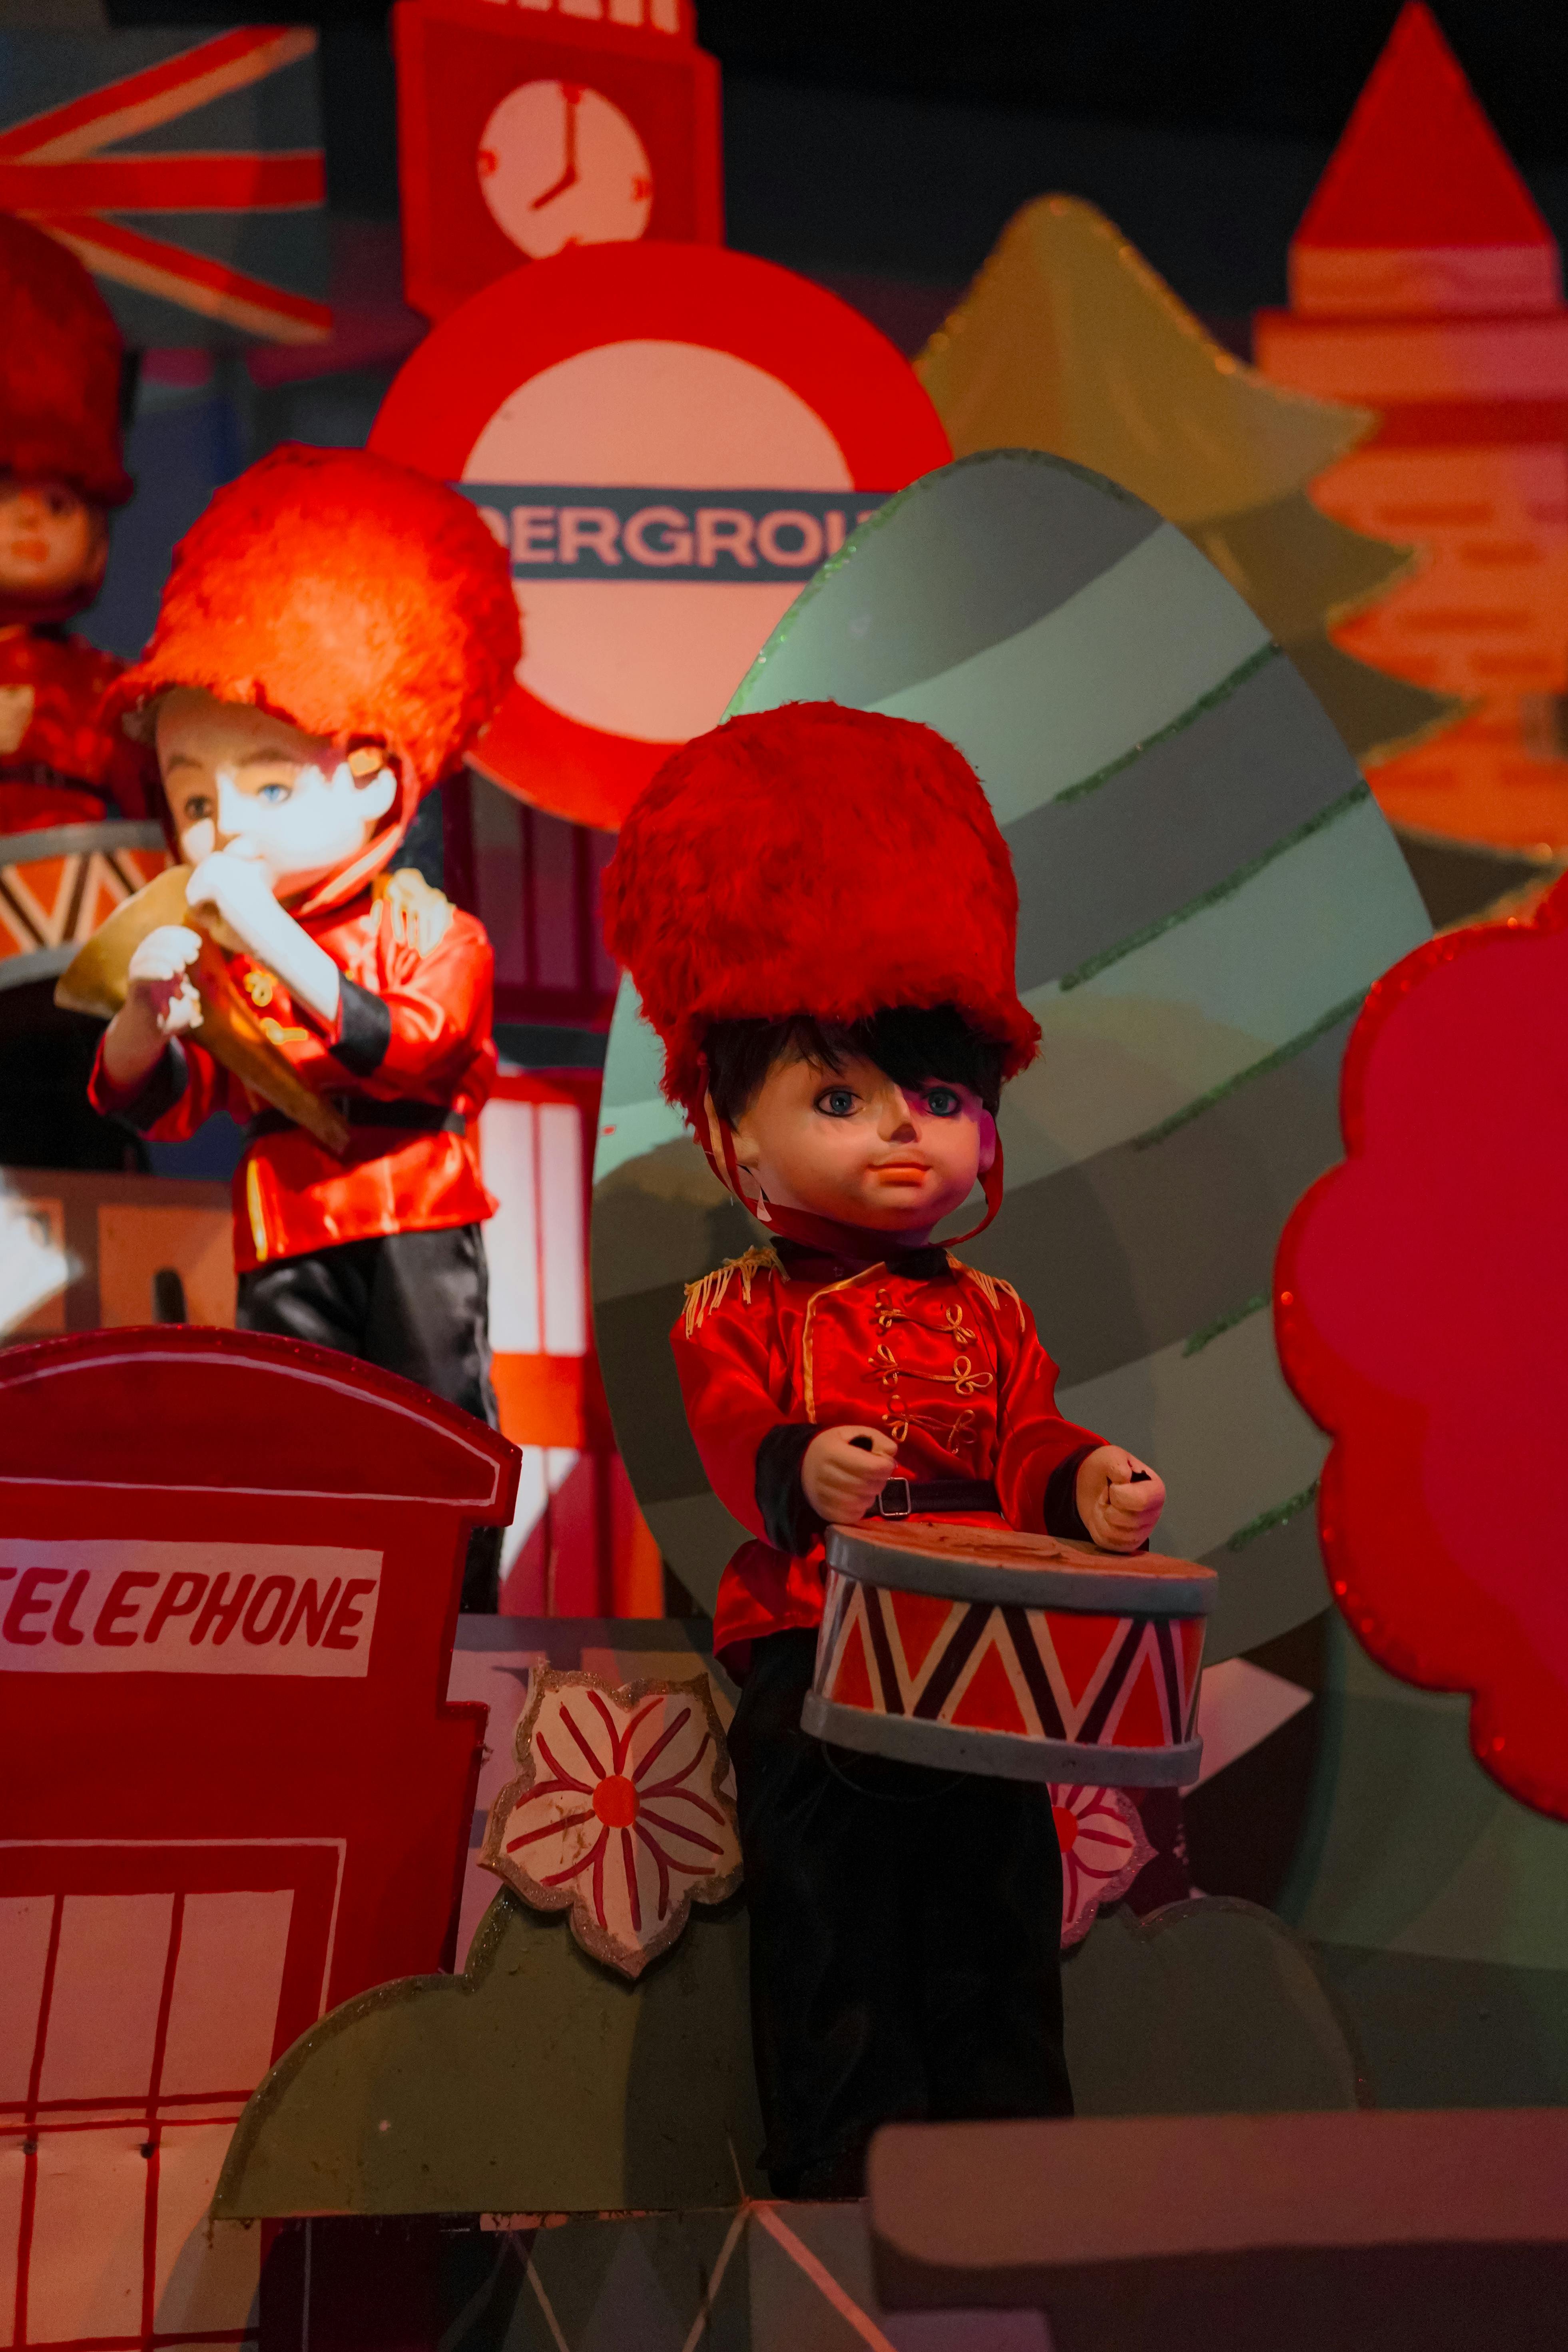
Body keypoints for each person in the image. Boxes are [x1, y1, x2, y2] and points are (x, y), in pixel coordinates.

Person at [603, 701, 1167, 2197]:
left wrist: (1085, 1481)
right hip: (824, 1648)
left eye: (937, 1099)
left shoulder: (993, 1308)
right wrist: (801, 1470)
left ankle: (1009, 2161)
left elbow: (1026, 1429)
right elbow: (732, 1429)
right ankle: (846, 2164)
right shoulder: (732, 1303)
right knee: (831, 1900)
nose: (899, 1136)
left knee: (994, 1894)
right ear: (731, 1134)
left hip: (980, 1661)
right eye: (838, 1099)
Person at [90, 445, 521, 1603]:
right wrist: (145, 1007)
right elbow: (162, 1102)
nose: (222, 824)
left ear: (378, 780)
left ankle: (457, 1633)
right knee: (293, 1453)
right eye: (193, 797)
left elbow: (412, 1049)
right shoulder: (222, 945)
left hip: (410, 1223)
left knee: (435, 1438)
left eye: (267, 787)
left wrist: (266, 936)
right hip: (277, 1231)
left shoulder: (432, 928)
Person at [0, 214, 155, 1168]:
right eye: (6, 494)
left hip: (72, 994)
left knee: (84, 1145)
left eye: (55, 503)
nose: (25, 524)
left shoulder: (108, 692)